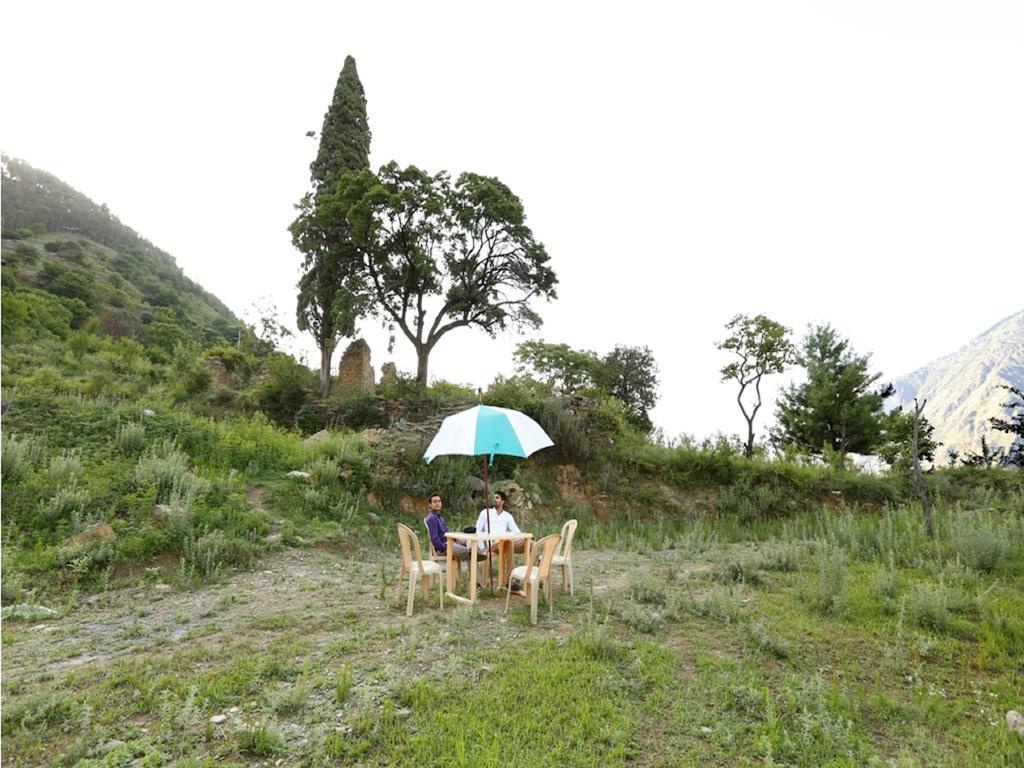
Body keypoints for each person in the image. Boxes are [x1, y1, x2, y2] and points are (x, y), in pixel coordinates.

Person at [475, 490, 526, 577]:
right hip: (494, 544)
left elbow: (517, 532)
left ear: (503, 501)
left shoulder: (507, 516)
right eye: (494, 497)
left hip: (506, 543)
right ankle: (509, 580)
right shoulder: (485, 512)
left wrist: (521, 538)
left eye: (497, 498)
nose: (494, 499)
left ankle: (534, 575)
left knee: (531, 545)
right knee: (508, 543)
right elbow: (477, 531)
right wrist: (483, 548)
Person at [424, 492, 475, 562]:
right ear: (430, 504)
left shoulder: (440, 517)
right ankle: (477, 555)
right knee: (471, 553)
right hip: (445, 547)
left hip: (450, 542)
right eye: (434, 502)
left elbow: (446, 532)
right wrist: (445, 548)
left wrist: (456, 539)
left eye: (439, 501)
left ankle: (475, 553)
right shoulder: (432, 518)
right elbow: (434, 539)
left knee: (469, 542)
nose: (437, 503)